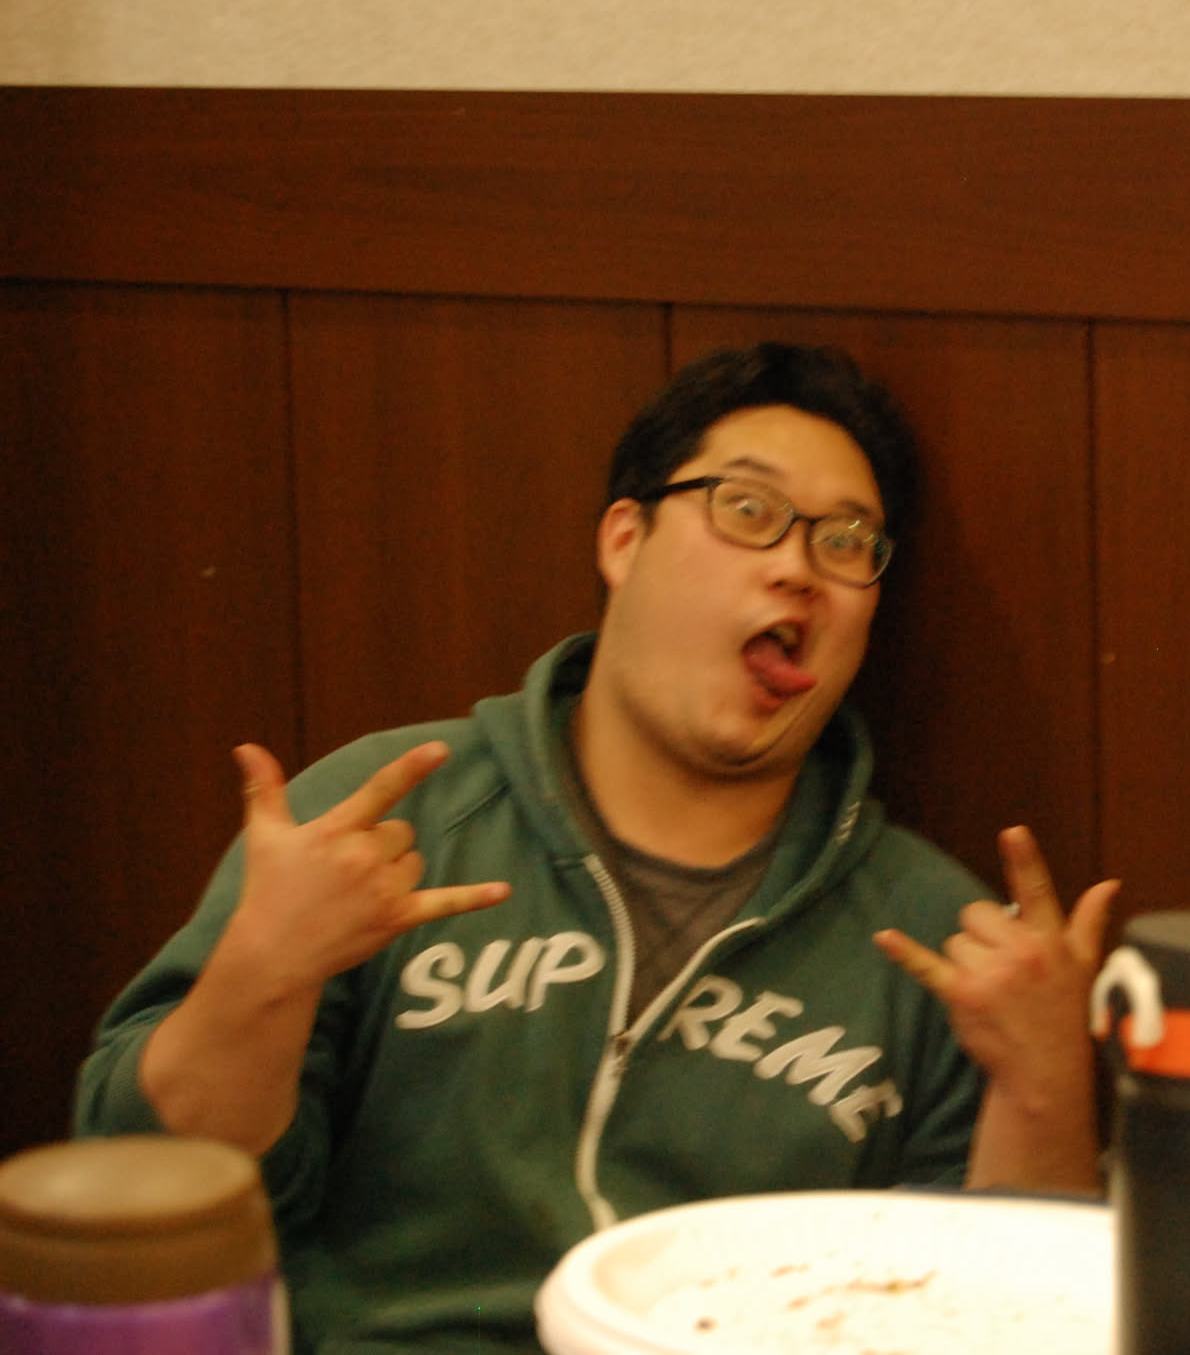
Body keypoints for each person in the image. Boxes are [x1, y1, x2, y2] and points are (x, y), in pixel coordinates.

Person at [75, 341, 1116, 1353]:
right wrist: (262, 974)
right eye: (748, 510)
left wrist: (1043, 1088)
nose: (799, 567)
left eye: (846, 542)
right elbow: (138, 1196)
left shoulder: (935, 942)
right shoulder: (383, 822)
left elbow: (1022, 1313)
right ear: (625, 540)